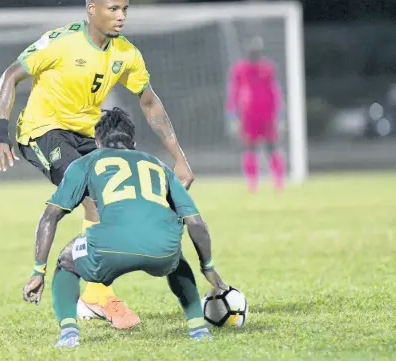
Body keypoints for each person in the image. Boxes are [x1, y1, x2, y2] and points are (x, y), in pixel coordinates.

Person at [0, 0, 194, 329]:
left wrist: (179, 155)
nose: (121, 16)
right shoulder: (61, 43)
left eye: (125, 9)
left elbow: (149, 101)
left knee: (115, 200)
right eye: (113, 9)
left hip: (86, 136)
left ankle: (93, 296)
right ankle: (97, 297)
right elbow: (9, 77)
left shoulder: (126, 53)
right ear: (92, 9)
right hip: (41, 131)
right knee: (92, 197)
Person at [21, 108, 229, 348]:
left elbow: (50, 216)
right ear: (133, 143)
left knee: (66, 260)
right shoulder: (158, 165)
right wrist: (208, 266)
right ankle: (198, 327)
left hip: (108, 249)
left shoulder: (85, 162)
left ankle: (69, 334)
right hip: (163, 251)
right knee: (176, 258)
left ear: (97, 142)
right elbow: (195, 221)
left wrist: (38, 271)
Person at [226, 36, 286, 192]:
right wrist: (232, 115)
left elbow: (275, 91)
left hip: (267, 115)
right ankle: (252, 183)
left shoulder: (268, 68)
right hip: (248, 115)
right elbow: (234, 92)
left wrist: (279, 114)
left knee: (272, 146)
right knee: (250, 147)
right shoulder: (239, 70)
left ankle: (278, 182)